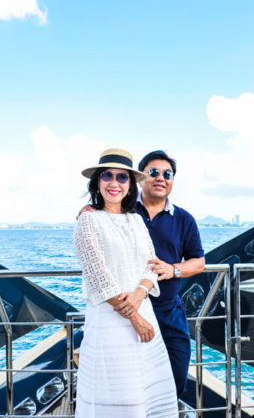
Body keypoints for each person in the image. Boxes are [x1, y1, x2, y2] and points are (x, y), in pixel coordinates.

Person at [79, 150, 205, 397]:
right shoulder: (122, 210)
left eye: (167, 174)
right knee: (130, 386)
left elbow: (199, 262)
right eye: (154, 172)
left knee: (175, 378)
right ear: (140, 178)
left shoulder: (184, 219)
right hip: (123, 311)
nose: (161, 178)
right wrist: (92, 207)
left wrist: (173, 269)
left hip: (168, 310)